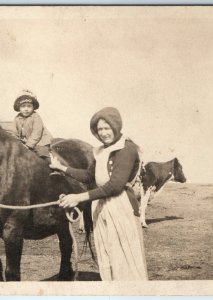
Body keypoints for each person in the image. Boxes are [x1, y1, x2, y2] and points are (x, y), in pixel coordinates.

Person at [50, 107, 148, 281]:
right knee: (107, 254)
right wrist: (61, 168)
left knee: (124, 258)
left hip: (121, 207)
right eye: (99, 129)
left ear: (116, 127)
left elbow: (115, 186)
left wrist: (79, 197)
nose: (103, 133)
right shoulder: (100, 151)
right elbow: (89, 176)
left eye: (107, 128)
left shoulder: (127, 149)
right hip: (101, 208)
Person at [13, 90, 53, 160]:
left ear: (33, 107)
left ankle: (54, 167)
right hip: (27, 142)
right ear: (19, 108)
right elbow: (14, 132)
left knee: (42, 153)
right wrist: (17, 142)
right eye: (23, 106)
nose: (26, 109)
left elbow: (37, 133)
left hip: (41, 142)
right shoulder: (17, 118)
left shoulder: (35, 117)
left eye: (29, 106)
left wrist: (28, 145)